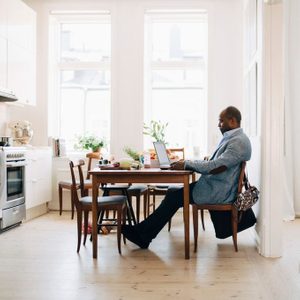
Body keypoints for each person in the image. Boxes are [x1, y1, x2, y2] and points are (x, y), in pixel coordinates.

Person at [121, 106, 252, 248]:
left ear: (232, 121)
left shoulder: (238, 142)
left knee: (173, 197)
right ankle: (143, 234)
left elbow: (215, 167)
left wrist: (186, 164)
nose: (218, 125)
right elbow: (213, 164)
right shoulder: (234, 138)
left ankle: (143, 235)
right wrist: (187, 162)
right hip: (215, 186)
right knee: (173, 193)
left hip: (217, 191)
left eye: (221, 121)